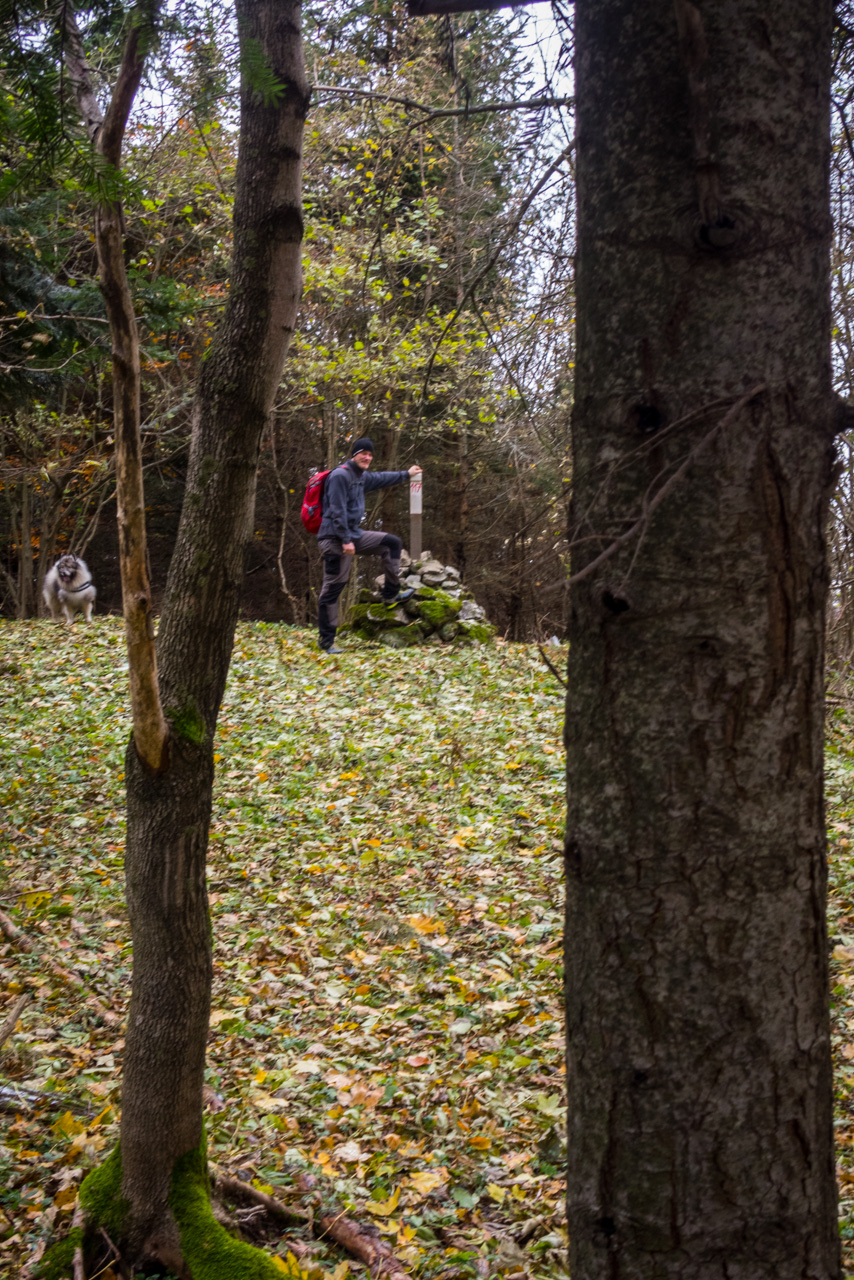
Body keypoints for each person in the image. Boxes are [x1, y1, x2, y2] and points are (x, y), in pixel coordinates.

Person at [316, 438, 422, 653]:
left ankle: (391, 595)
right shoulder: (340, 476)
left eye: (370, 454)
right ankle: (326, 641)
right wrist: (345, 540)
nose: (368, 457)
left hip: (353, 535)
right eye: (363, 453)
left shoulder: (361, 476)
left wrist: (407, 474)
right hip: (334, 539)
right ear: (354, 454)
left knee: (391, 543)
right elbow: (337, 510)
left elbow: (382, 478)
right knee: (333, 588)